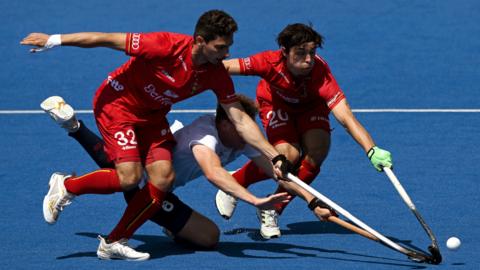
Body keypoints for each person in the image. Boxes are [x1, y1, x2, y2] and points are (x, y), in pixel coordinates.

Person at [21, 10, 290, 261]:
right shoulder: (164, 45)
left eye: (228, 46)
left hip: (152, 117)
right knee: (130, 177)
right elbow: (105, 39)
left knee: (163, 177)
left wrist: (274, 155)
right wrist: (53, 40)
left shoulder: (215, 73)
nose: (226, 53)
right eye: (221, 47)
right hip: (117, 105)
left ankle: (113, 242)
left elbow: (239, 118)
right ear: (200, 41)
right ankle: (67, 186)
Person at [40, 94, 290, 250]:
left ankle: (74, 126)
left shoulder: (241, 138)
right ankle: (68, 185)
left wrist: (311, 200)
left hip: (157, 163)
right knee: (129, 177)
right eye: (243, 125)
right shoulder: (205, 137)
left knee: (114, 162)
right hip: (149, 182)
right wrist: (255, 200)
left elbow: (279, 174)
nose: (250, 131)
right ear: (225, 123)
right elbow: (214, 173)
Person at [216, 23, 393, 239]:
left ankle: (272, 208)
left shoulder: (320, 75)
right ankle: (235, 182)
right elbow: (223, 67)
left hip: (311, 105)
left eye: (312, 52)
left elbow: (346, 116)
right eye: (300, 53)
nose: (308, 59)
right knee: (288, 156)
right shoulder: (268, 62)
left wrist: (371, 149)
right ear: (284, 52)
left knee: (317, 151)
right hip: (275, 103)